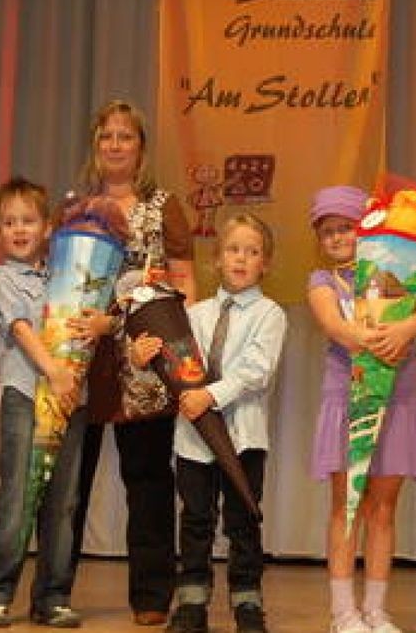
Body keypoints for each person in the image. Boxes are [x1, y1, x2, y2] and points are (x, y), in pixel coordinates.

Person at [66, 100, 198, 626]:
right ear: (96, 146)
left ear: (141, 147)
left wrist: (172, 346)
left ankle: (151, 594)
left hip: (144, 362)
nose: (116, 145)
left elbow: (185, 283)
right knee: (69, 485)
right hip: (80, 361)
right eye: (107, 136)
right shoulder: (74, 207)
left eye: (126, 136)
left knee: (146, 481)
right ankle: (54, 590)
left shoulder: (162, 206)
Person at [140, 213, 287, 633]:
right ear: (216, 260)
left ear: (266, 263)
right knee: (196, 520)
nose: (242, 258)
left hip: (244, 437)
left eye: (253, 251)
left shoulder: (270, 314)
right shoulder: (194, 313)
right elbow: (179, 367)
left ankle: (247, 602)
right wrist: (146, 360)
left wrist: (211, 395)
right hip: (193, 440)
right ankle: (191, 602)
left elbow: (257, 370)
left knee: (242, 520)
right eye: (233, 249)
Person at [0, 178, 104, 628]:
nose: (19, 229)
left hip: (72, 398)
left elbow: (91, 315)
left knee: (63, 502)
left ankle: (52, 595)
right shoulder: (3, 277)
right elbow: (22, 331)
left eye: (28, 220)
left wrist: (101, 323)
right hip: (26, 396)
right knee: (17, 496)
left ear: (48, 227)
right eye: (9, 222)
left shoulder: (71, 274)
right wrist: (54, 370)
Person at [306, 185, 416, 633]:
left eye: (347, 228)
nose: (339, 237)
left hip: (398, 398)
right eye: (329, 232)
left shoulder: (395, 272)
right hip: (349, 399)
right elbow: (336, 326)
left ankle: (377, 610)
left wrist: (408, 329)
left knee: (383, 508)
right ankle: (343, 611)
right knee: (347, 506)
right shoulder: (323, 282)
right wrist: (381, 339)